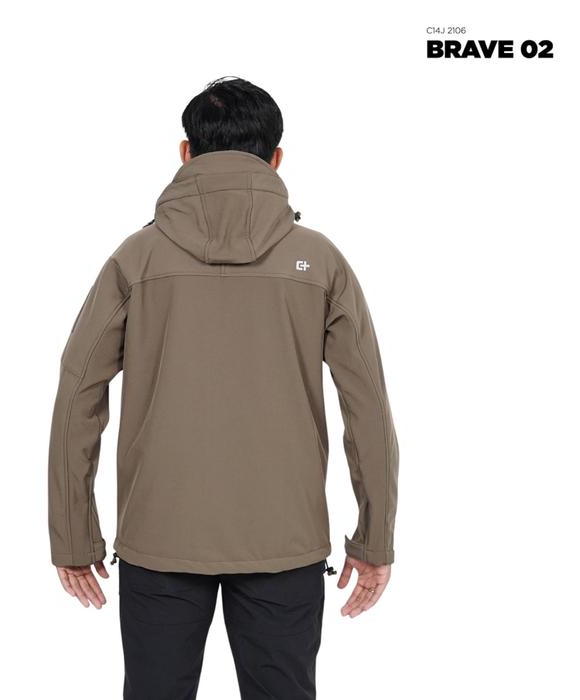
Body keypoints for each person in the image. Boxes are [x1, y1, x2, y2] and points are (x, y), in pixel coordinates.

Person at [48, 76, 399, 699]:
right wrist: (374, 537)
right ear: (276, 158)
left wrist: (75, 533)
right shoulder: (320, 262)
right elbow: (367, 406)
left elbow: (79, 394)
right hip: (284, 538)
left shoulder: (137, 259)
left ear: (186, 153)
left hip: (159, 535)